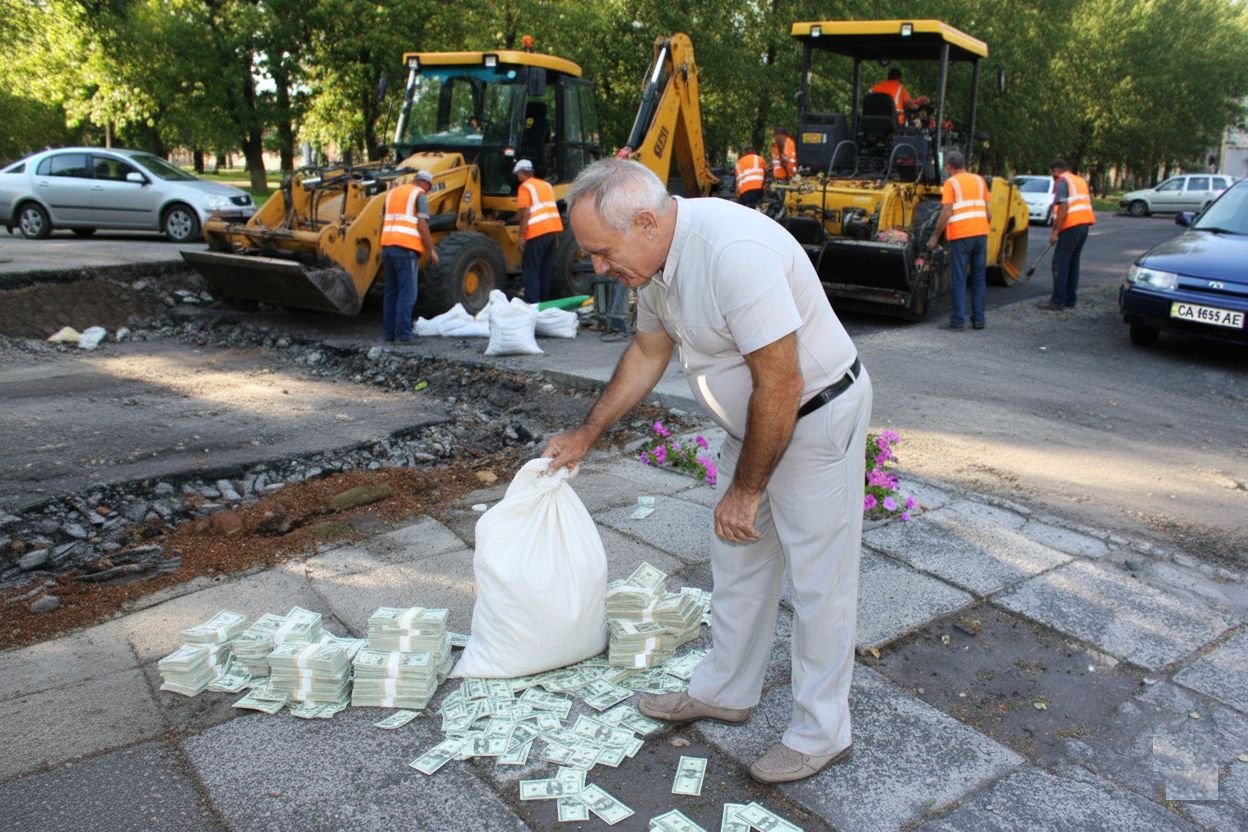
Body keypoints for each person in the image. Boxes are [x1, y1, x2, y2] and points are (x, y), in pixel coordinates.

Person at [543, 159, 872, 784]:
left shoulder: (732, 253)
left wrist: (747, 491)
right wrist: (587, 433)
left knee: (819, 582)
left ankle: (820, 732)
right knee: (738, 558)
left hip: (813, 414)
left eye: (603, 252)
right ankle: (725, 689)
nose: (599, 269)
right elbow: (647, 350)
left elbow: (782, 380)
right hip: (757, 420)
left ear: (645, 221)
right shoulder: (655, 260)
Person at [928, 151, 990, 331]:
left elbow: (947, 211)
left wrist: (935, 236)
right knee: (978, 278)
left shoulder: (951, 183)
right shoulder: (979, 180)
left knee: (959, 278)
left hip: (961, 236)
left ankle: (957, 321)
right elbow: (988, 212)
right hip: (981, 234)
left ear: (948, 167)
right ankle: (979, 320)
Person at [380, 169, 439, 342]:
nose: (428, 191)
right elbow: (422, 225)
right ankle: (404, 335)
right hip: (406, 249)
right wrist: (431, 250)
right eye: (429, 187)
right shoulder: (419, 195)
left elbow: (383, 218)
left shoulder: (392, 193)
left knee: (391, 292)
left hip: (388, 246)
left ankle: (389, 334)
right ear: (426, 184)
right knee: (408, 293)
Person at [1043, 159, 1096, 310]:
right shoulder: (1079, 180)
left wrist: (1055, 231)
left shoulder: (1062, 181)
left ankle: (1058, 301)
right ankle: (1070, 299)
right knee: (1073, 262)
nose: (1053, 176)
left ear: (1056, 171)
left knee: (1060, 263)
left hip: (1070, 225)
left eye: (1052, 173)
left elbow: (1063, 207)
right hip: (1084, 225)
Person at [514, 158, 565, 304]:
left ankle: (533, 305)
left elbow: (526, 213)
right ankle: (543, 304)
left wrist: (522, 236)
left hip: (536, 231)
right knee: (544, 270)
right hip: (552, 230)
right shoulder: (547, 185)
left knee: (531, 270)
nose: (518, 178)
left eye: (518, 175)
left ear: (522, 173)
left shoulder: (525, 187)